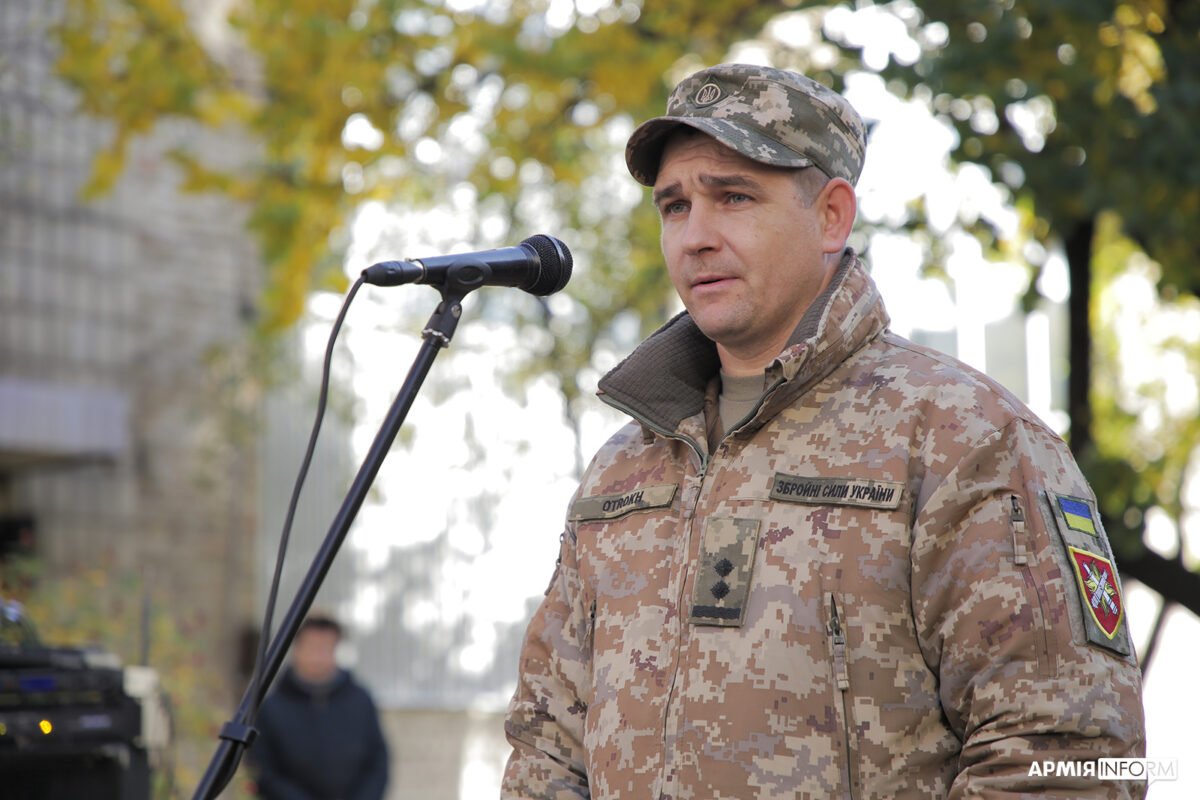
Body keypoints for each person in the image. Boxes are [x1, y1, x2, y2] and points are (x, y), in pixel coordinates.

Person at [501, 63, 1146, 798]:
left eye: (734, 197)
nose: (695, 237)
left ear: (832, 217)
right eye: (675, 206)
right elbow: (545, 745)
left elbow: (1072, 758)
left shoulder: (964, 437)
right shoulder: (626, 466)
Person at [251, 614, 389, 800]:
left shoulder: (360, 700)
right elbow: (262, 769)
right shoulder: (271, 707)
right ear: (296, 649)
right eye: (312, 647)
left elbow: (378, 761)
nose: (318, 656)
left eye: (325, 648)